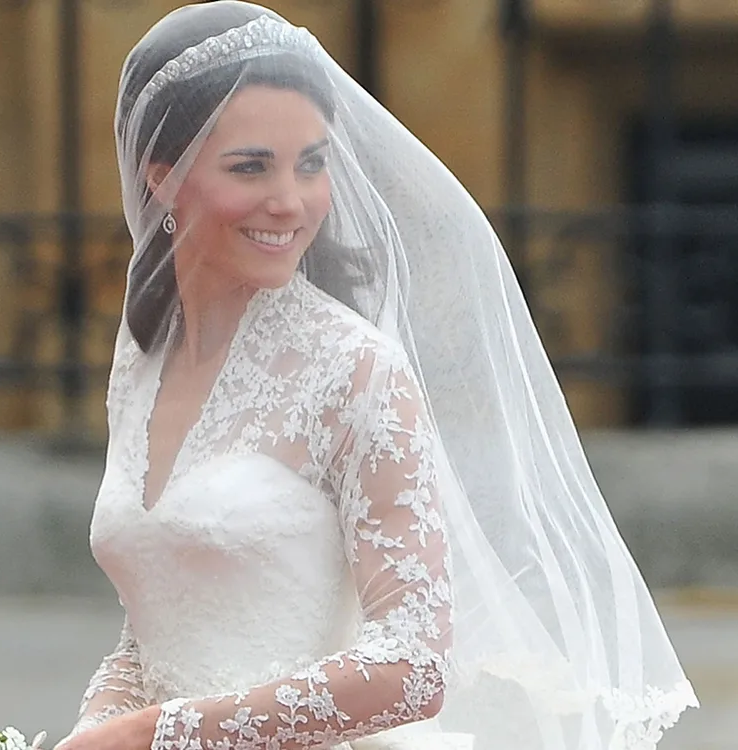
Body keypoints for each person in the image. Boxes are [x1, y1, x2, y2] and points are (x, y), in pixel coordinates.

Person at [55, 4, 697, 750]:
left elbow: (416, 667)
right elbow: (162, 618)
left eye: (312, 162)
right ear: (162, 180)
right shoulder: (142, 358)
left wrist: (158, 734)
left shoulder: (355, 371)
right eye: (251, 166)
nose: (290, 202)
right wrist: (98, 723)